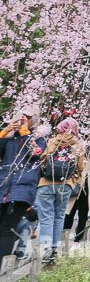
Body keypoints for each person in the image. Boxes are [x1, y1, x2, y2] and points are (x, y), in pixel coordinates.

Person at [37, 117, 84, 263]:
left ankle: (45, 250)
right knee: (59, 216)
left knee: (46, 217)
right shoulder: (77, 144)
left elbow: (42, 159)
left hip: (46, 183)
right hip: (65, 185)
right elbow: (81, 167)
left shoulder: (53, 141)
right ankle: (55, 249)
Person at [0, 108, 46, 259]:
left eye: (27, 118)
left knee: (7, 227)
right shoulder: (10, 138)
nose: (22, 120)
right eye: (21, 117)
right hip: (3, 185)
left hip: (23, 188)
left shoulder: (39, 138)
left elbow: (35, 153)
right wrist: (5, 131)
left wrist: (26, 133)